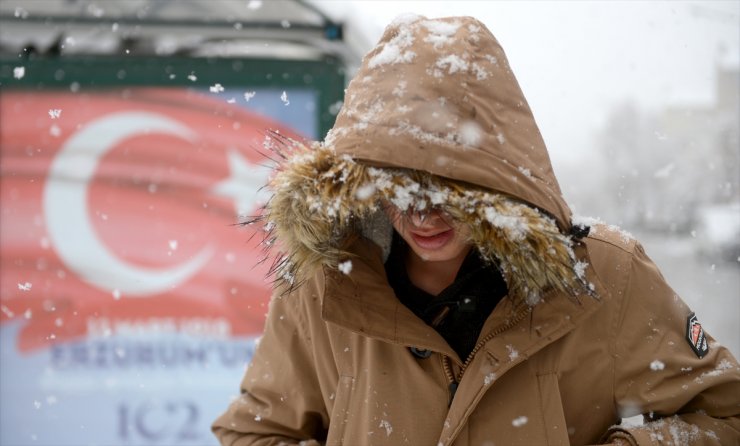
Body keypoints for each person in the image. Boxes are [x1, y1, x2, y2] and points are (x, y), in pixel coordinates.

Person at [212, 14, 740, 445]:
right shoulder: (322, 283)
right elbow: (253, 432)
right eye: (399, 189)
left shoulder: (602, 278)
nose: (422, 216)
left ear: (496, 187)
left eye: (448, 191)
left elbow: (725, 417)